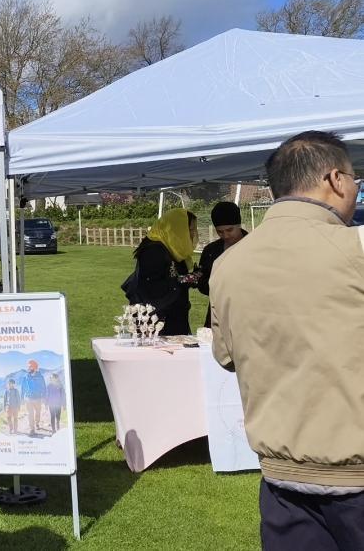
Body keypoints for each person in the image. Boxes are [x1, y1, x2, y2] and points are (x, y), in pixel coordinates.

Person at [211, 131, 364, 550]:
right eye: (355, 179)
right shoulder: (357, 247)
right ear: (335, 179)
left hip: (282, 478)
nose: (355, 189)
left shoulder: (227, 263)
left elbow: (226, 355)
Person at [128, 208, 199, 336]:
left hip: (174, 312)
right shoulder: (154, 250)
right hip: (158, 318)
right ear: (177, 229)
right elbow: (153, 286)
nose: (193, 234)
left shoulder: (173, 248)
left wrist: (191, 278)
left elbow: (176, 275)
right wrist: (186, 279)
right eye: (190, 229)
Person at [197, 202, 247, 328]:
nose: (226, 235)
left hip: (247, 313)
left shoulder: (254, 246)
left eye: (230, 230)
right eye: (220, 232)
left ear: (239, 225)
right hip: (217, 313)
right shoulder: (210, 251)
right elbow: (203, 285)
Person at [20, 360, 47, 436]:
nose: (29, 368)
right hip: (28, 399)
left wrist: (44, 397)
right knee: (30, 414)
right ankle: (32, 429)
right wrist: (22, 398)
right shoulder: (25, 377)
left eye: (30, 366)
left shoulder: (40, 377)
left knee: (38, 413)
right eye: (28, 366)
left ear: (35, 367)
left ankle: (37, 423)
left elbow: (44, 387)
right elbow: (22, 388)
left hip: (38, 398)